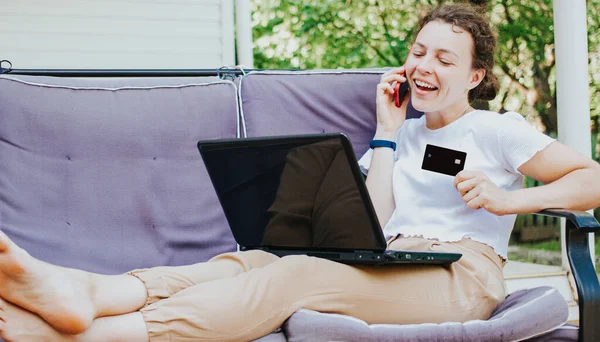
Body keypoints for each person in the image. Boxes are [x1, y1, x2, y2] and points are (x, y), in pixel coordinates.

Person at [1, 3, 600, 341]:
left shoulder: (497, 130)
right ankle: (89, 291)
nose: (423, 65)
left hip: (461, 276)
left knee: (295, 279)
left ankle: (87, 336)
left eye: (444, 58)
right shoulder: (399, 131)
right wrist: (387, 133)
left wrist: (507, 200)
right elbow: (376, 217)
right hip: (393, 256)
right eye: (418, 51)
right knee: (257, 261)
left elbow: (590, 180)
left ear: (474, 77)